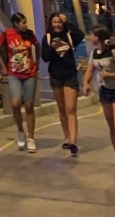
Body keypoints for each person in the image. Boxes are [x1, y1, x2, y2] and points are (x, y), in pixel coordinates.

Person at [83, 25, 115, 177]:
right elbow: (90, 70)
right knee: (112, 128)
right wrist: (86, 84)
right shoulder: (94, 54)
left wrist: (112, 76)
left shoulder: (114, 52)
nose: (90, 37)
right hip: (105, 92)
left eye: (92, 34)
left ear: (98, 37)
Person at [0, 12, 40, 152]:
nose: (25, 25)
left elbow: (38, 46)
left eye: (25, 22)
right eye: (23, 22)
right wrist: (3, 66)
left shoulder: (30, 35)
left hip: (29, 73)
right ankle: (20, 131)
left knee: (29, 105)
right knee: (16, 103)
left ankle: (31, 137)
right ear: (16, 24)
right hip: (14, 73)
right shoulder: (6, 34)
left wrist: (37, 63)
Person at [41, 12, 84, 154]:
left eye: (59, 22)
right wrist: (53, 48)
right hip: (56, 76)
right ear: (51, 24)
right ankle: (66, 136)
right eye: (55, 22)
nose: (57, 25)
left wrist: (68, 23)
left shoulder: (70, 36)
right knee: (61, 107)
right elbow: (45, 58)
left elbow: (81, 34)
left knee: (71, 108)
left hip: (70, 75)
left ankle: (73, 141)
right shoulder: (47, 38)